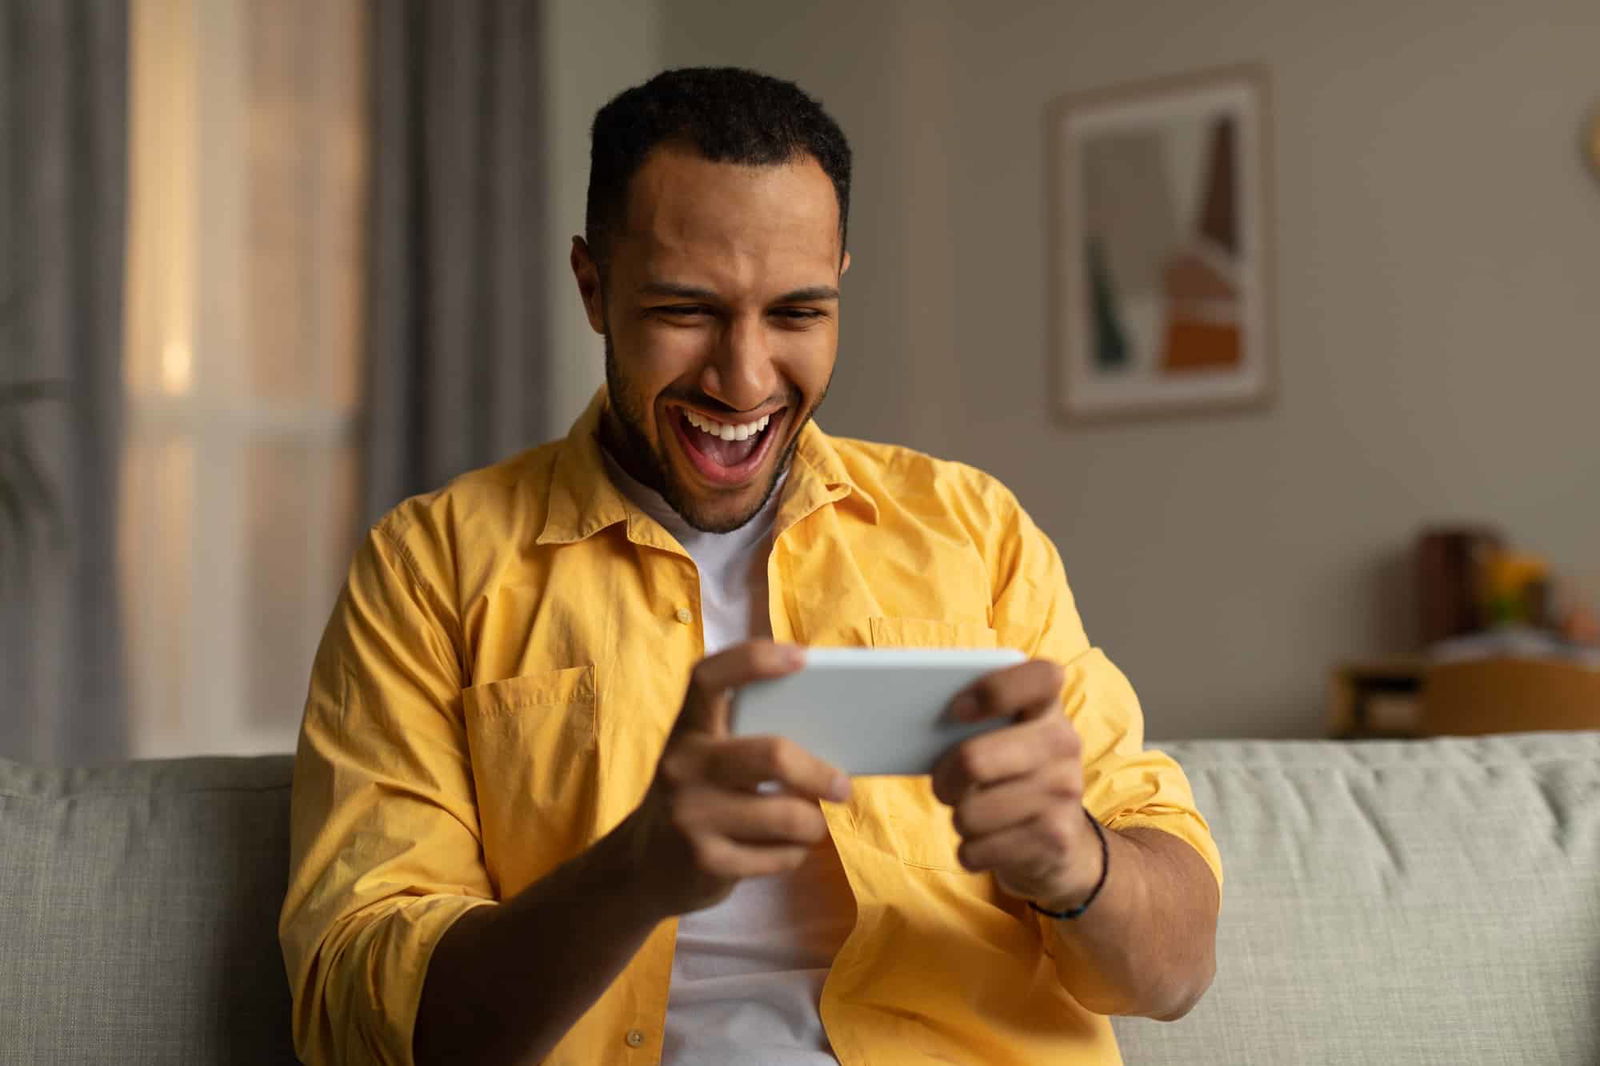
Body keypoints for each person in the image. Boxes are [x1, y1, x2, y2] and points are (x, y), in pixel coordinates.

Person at [279, 66, 1221, 1066]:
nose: (744, 378)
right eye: (687, 310)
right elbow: (361, 1018)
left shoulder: (973, 532)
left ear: (840, 282)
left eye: (797, 314)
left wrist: (1073, 862)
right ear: (593, 287)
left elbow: (1171, 971)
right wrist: (636, 871)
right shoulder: (430, 567)